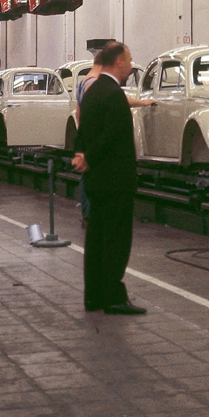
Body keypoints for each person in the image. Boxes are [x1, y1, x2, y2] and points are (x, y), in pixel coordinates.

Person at [72, 42, 146, 315]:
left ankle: (94, 296)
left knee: (96, 239)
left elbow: (83, 128)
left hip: (96, 181)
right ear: (117, 62)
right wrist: (89, 155)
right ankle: (114, 296)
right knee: (116, 239)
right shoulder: (113, 94)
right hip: (116, 179)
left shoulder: (91, 91)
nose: (130, 64)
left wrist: (80, 154)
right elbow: (111, 135)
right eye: (128, 60)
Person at [74, 45, 154, 227]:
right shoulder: (96, 84)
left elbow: (79, 113)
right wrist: (142, 103)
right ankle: (89, 216)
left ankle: (89, 215)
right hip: (104, 158)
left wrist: (82, 143)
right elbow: (112, 121)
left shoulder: (84, 82)